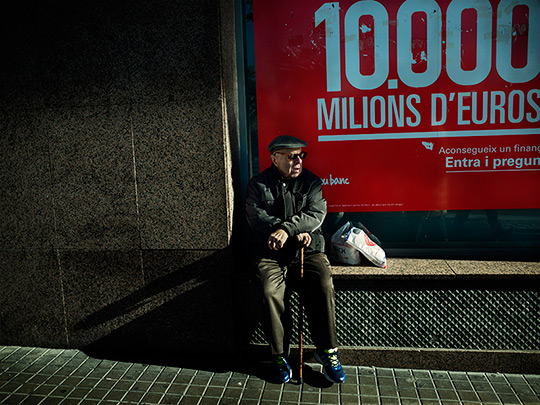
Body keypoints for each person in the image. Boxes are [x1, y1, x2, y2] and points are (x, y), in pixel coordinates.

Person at [245, 135, 345, 384]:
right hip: (271, 253)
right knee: (269, 290)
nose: (298, 160)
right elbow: (257, 218)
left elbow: (315, 213)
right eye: (291, 156)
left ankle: (327, 350)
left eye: (301, 155)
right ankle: (279, 355)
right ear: (274, 158)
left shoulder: (312, 182)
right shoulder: (258, 185)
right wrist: (287, 231)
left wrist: (289, 230)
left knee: (323, 282)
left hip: (308, 251)